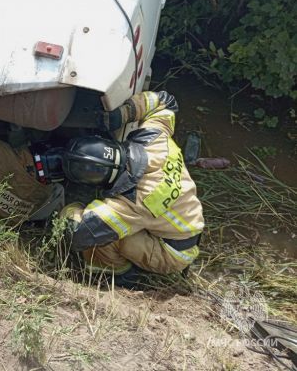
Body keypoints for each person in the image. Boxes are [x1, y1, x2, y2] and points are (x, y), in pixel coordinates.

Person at [60, 91, 204, 288]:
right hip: (185, 221)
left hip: (174, 252)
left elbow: (80, 232)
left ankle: (119, 277)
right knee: (112, 225)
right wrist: (125, 113)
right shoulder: (153, 139)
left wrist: (69, 209)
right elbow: (165, 102)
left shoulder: (137, 200)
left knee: (103, 240)